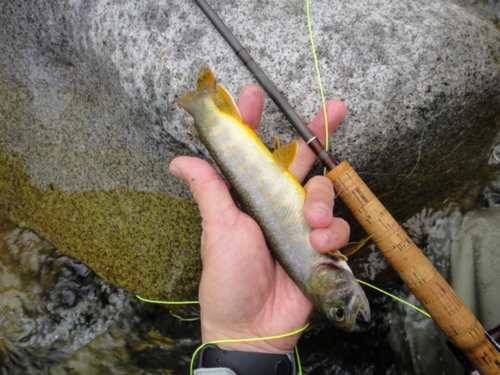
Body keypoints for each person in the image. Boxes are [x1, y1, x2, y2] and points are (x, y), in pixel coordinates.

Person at [169, 84, 349, 374]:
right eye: (338, 312)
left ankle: (207, 111)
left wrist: (240, 343)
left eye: (338, 311)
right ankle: (208, 112)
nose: (345, 308)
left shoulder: (325, 270)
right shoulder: (328, 265)